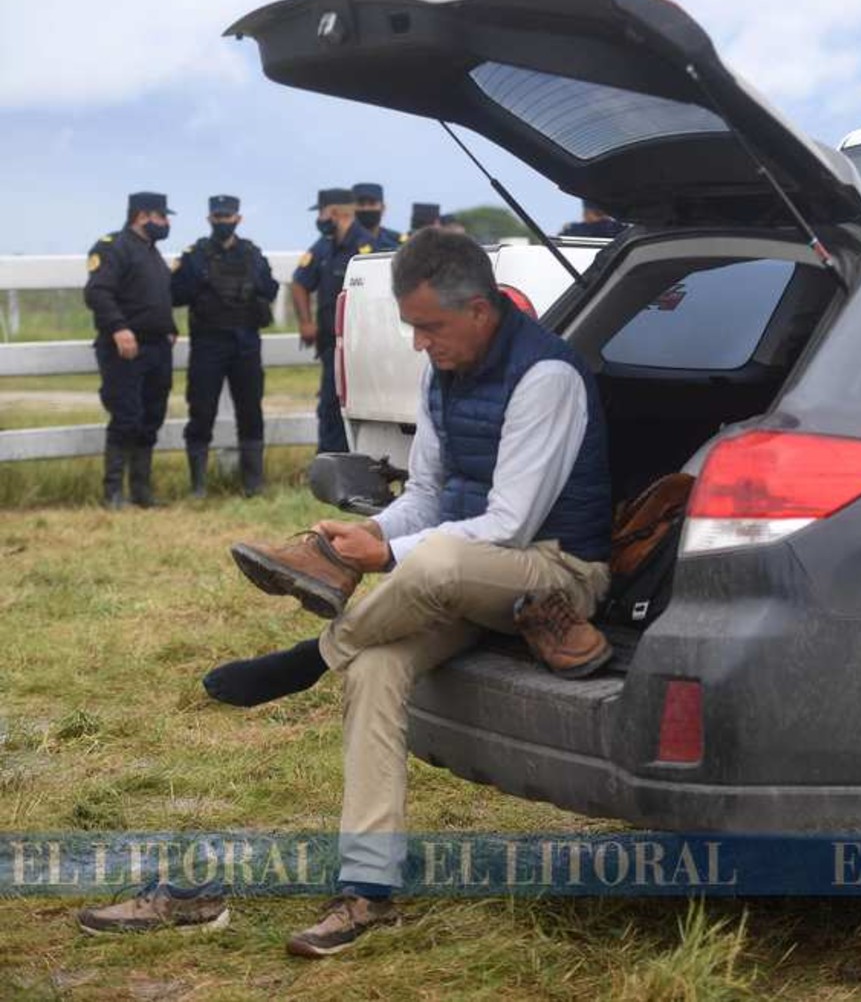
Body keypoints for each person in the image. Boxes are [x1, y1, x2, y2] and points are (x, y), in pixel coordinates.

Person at [74, 228, 613, 954]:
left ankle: (309, 657)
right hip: (463, 571)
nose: (419, 343)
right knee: (376, 667)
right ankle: (369, 892)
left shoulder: (547, 377)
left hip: (553, 572)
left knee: (433, 563)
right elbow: (427, 494)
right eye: (411, 327)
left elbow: (511, 523)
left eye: (430, 327)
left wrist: (388, 550)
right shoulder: (443, 372)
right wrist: (370, 536)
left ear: (481, 310)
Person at [169, 195, 279, 498]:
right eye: (217, 217)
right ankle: (199, 486)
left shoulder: (252, 254)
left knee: (250, 411)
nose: (223, 222)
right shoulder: (195, 256)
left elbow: (269, 288)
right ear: (209, 220)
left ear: (238, 219)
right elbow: (175, 293)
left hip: (245, 344)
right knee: (201, 411)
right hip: (208, 344)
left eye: (227, 217)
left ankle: (253, 483)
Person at [84, 191, 178, 508]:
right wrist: (119, 328)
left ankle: (141, 491)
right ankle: (113, 493)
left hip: (156, 348)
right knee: (126, 417)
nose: (166, 224)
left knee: (151, 417)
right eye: (162, 217)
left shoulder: (152, 253)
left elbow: (155, 298)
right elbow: (98, 293)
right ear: (142, 216)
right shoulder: (113, 248)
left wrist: (169, 329)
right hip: (125, 348)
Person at [290, 188, 376, 453]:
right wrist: (306, 322)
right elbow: (299, 282)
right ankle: (330, 470)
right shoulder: (324, 246)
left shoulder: (368, 246)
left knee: (361, 412)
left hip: (363, 350)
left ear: (335, 212)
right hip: (332, 348)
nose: (319, 217)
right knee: (329, 411)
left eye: (321, 212)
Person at [352, 182, 405, 251]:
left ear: (383, 208)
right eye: (361, 204)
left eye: (372, 203)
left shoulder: (397, 241)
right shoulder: (340, 243)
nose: (366, 208)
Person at [559, 200, 626, 238]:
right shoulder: (572, 230)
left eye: (601, 213)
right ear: (585, 213)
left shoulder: (620, 229)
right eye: (597, 213)